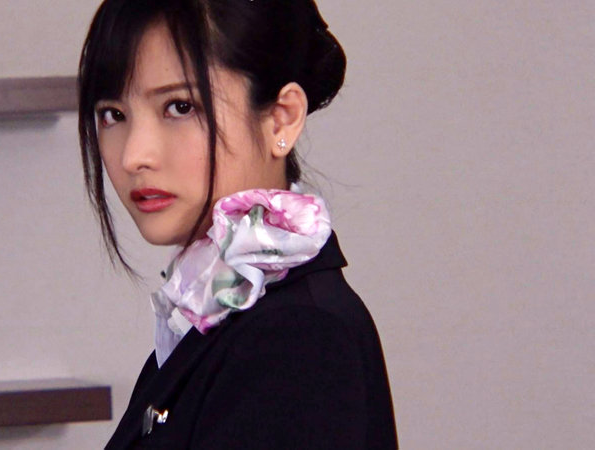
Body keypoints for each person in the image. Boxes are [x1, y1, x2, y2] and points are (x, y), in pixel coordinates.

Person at [78, 0, 397, 448]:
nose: (133, 155)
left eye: (180, 107)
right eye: (113, 114)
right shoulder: (220, 310)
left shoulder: (297, 339)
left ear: (281, 118)